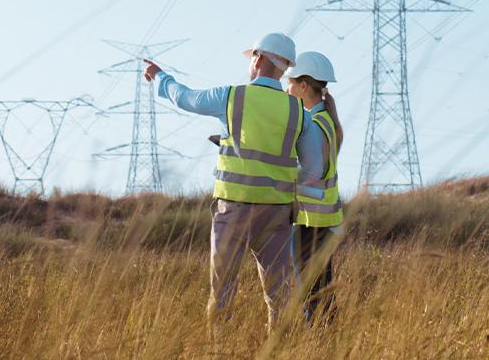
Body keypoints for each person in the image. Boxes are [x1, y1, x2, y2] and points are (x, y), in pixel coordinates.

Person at [143, 32, 325, 332]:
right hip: (276, 214)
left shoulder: (230, 97)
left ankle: (216, 356)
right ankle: (280, 359)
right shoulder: (298, 112)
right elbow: (314, 168)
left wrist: (160, 77)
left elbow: (184, 97)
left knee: (222, 292)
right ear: (285, 68)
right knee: (279, 296)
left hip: (233, 211)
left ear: (259, 58)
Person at [284, 51, 344, 323]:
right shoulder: (326, 120)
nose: (287, 88)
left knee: (312, 295)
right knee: (321, 292)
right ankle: (326, 345)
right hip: (324, 220)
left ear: (304, 86)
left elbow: (311, 173)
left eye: (290, 82)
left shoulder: (314, 124)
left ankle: (319, 347)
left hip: (312, 222)